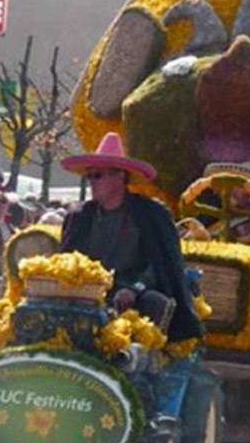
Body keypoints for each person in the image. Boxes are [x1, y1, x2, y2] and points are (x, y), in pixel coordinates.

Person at [58, 132, 202, 343]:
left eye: (97, 176)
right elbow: (65, 260)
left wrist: (135, 289)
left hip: (133, 291)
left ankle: (145, 356)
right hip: (86, 294)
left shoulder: (150, 214)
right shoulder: (79, 217)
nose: (91, 183)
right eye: (89, 177)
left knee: (155, 301)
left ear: (120, 177)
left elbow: (159, 264)